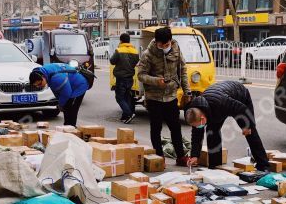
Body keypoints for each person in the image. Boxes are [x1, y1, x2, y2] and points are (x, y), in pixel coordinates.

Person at [185, 80, 270, 172]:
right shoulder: (195, 112)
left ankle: (263, 165)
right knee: (212, 133)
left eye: (199, 125)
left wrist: (247, 125)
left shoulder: (221, 103)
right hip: (217, 103)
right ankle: (215, 166)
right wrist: (194, 155)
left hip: (240, 96)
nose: (198, 127)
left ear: (202, 118)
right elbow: (196, 136)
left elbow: (242, 109)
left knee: (250, 132)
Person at [136, 26, 190, 166]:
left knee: (175, 128)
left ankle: (180, 156)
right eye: (161, 45)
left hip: (171, 96)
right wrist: (156, 81)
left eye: (167, 45)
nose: (164, 47)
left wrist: (187, 91)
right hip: (154, 97)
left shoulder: (176, 50)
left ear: (171, 41)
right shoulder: (148, 54)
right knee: (156, 128)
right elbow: (140, 75)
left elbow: (183, 70)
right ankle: (159, 157)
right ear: (156, 42)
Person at [109, 33, 139, 123]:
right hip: (130, 77)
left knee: (119, 97)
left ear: (121, 40)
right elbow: (136, 62)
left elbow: (112, 61)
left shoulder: (119, 50)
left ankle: (129, 114)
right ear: (129, 40)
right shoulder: (135, 51)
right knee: (127, 97)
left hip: (121, 78)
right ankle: (125, 116)